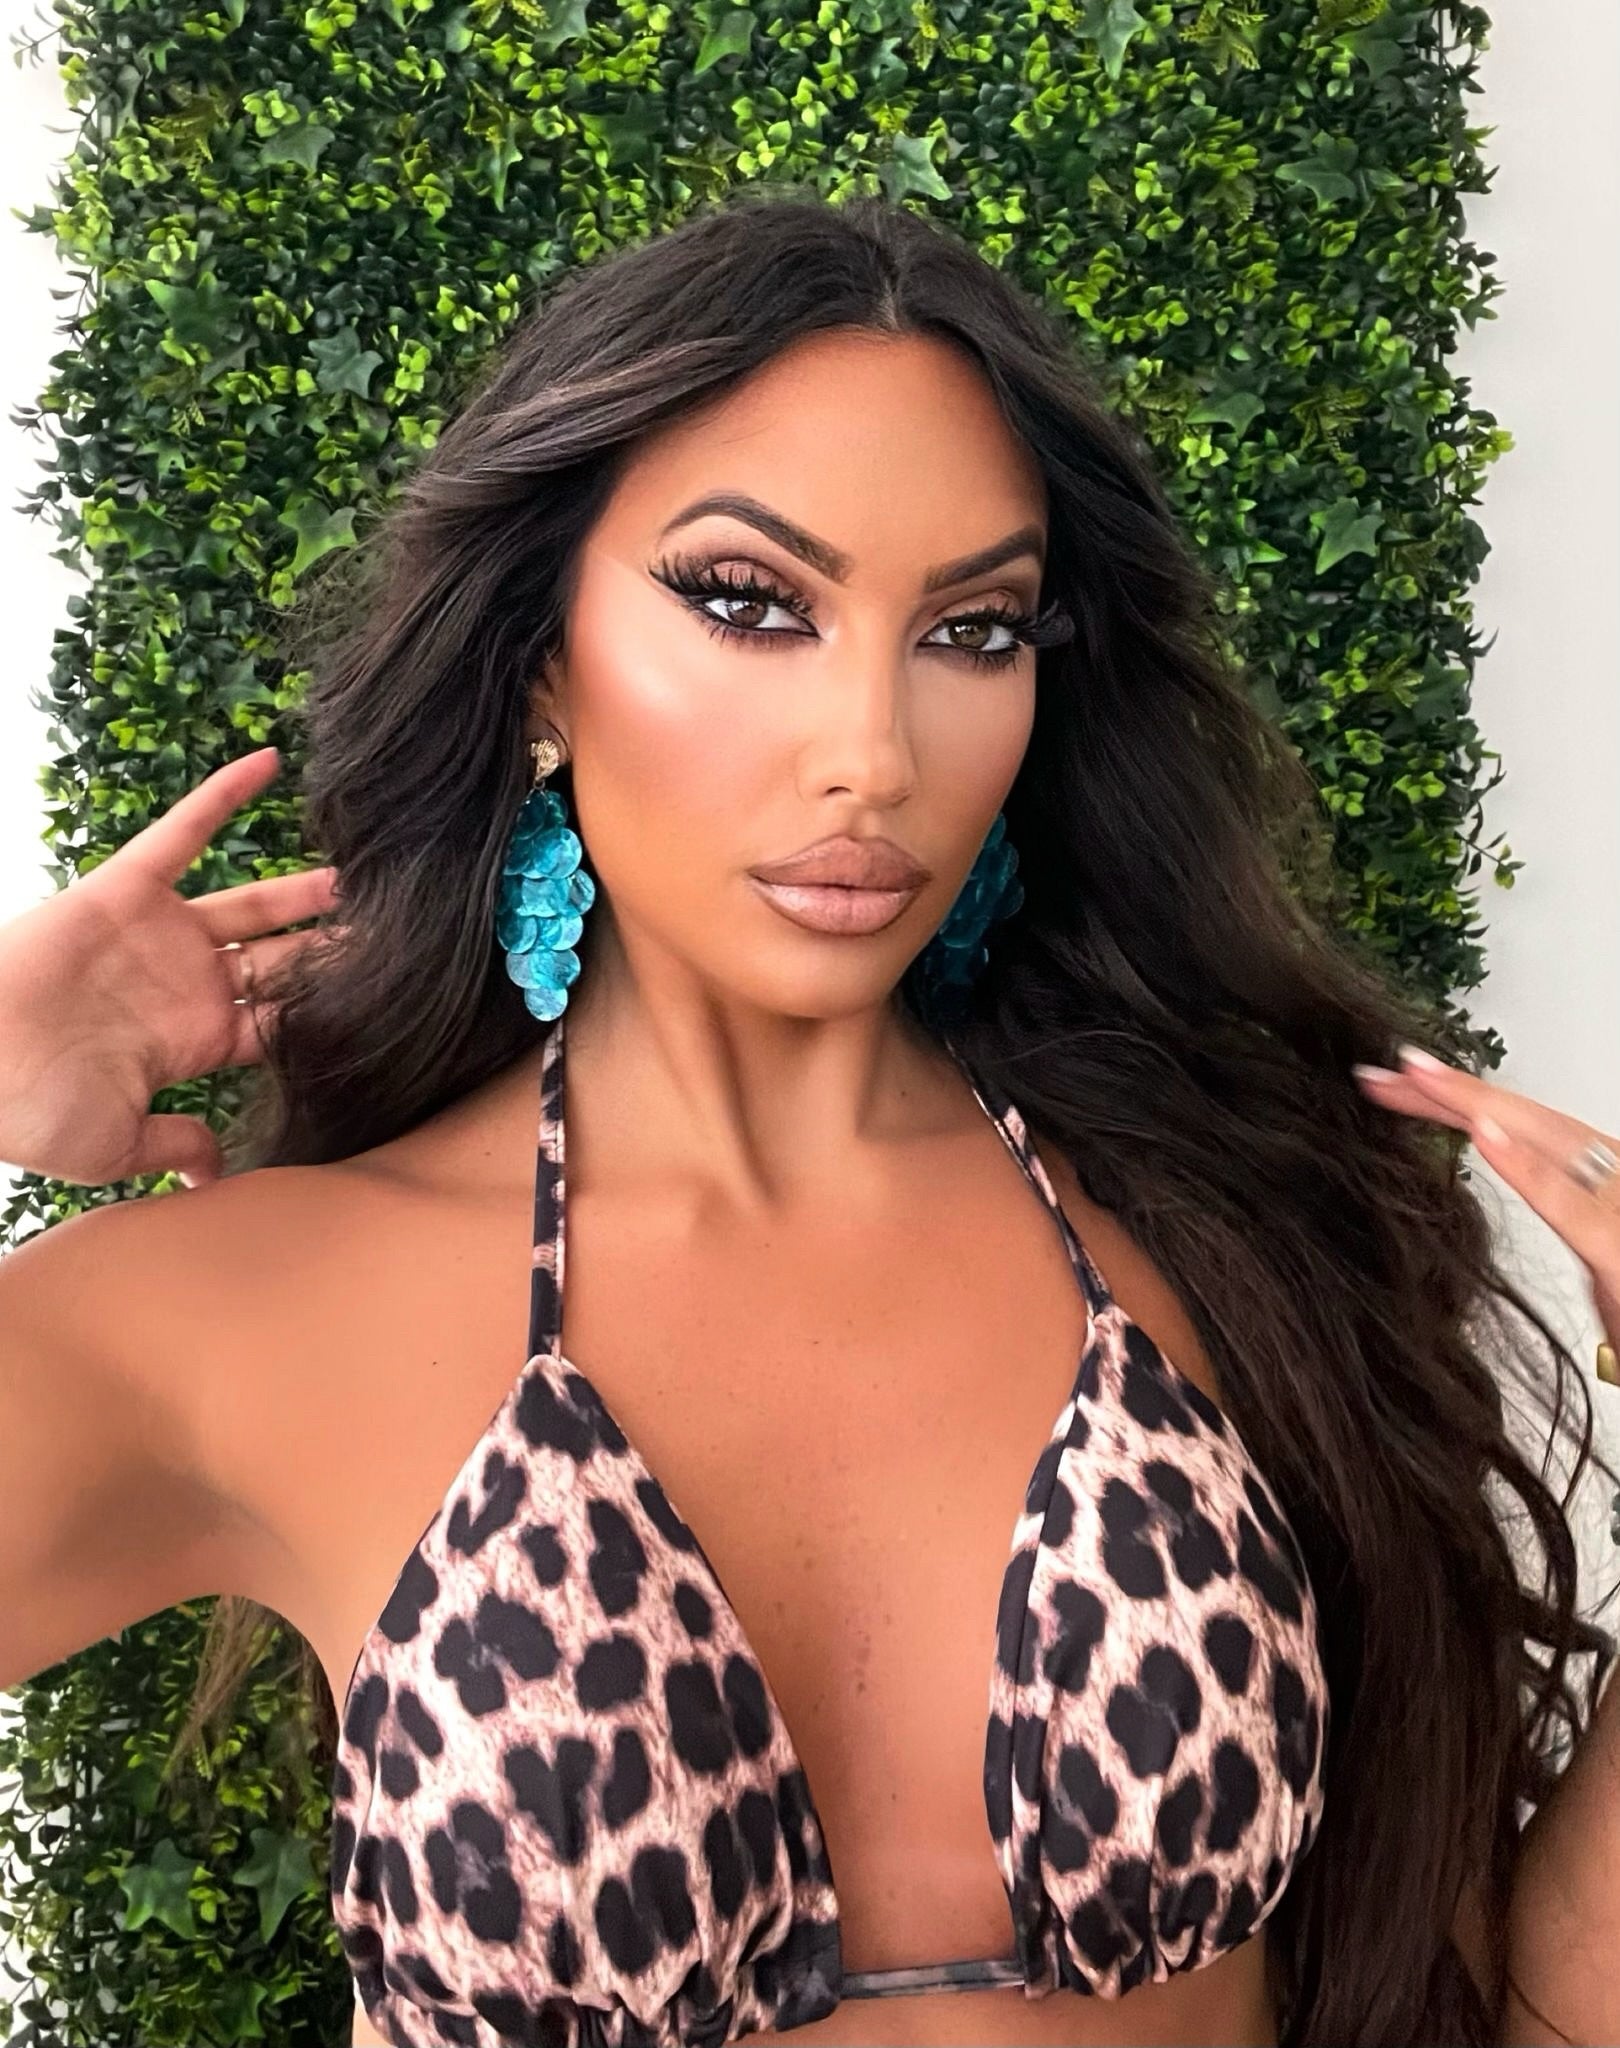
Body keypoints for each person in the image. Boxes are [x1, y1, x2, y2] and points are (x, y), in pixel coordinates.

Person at [0, 189, 1615, 2048]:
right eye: (751, 603)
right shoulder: (241, 1311)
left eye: (974, 630)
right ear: (539, 662)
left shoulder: (1228, 1225)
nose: (875, 751)